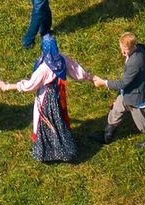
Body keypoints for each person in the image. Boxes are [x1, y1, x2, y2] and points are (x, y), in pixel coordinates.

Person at [12, 35, 88, 163]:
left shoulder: (44, 68)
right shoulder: (61, 59)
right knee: (58, 119)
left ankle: (48, 152)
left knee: (45, 122)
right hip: (57, 95)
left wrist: (10, 86)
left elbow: (29, 85)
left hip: (45, 97)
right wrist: (89, 77)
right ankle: (64, 148)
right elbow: (76, 71)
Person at [93, 31, 145, 149]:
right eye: (122, 48)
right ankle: (107, 135)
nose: (123, 52)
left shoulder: (134, 62)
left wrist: (104, 83)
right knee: (116, 110)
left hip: (137, 96)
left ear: (133, 46)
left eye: (126, 49)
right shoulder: (141, 47)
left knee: (143, 123)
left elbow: (123, 83)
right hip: (129, 92)